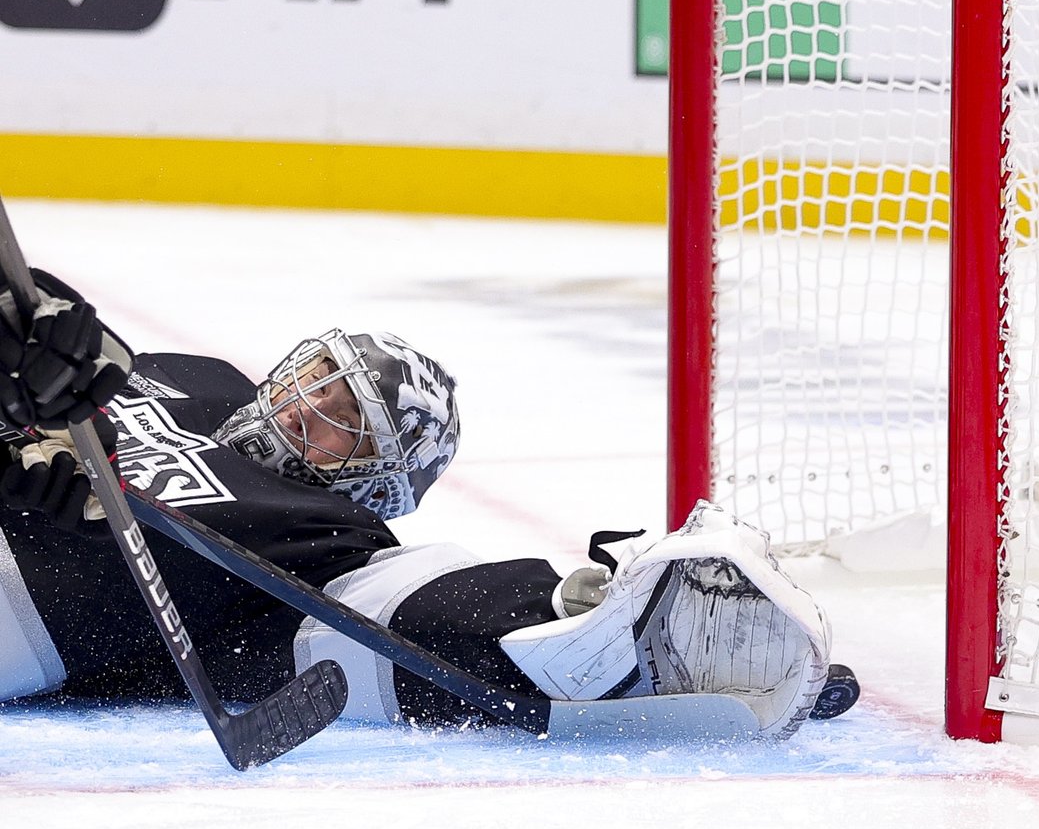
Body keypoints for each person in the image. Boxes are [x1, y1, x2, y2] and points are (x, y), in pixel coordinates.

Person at [0, 269, 831, 741]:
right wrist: (38, 321)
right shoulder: (207, 377)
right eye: (318, 381)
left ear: (374, 483)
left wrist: (574, 611)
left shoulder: (327, 539)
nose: (306, 407)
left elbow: (413, 612)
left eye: (344, 423)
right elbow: (55, 363)